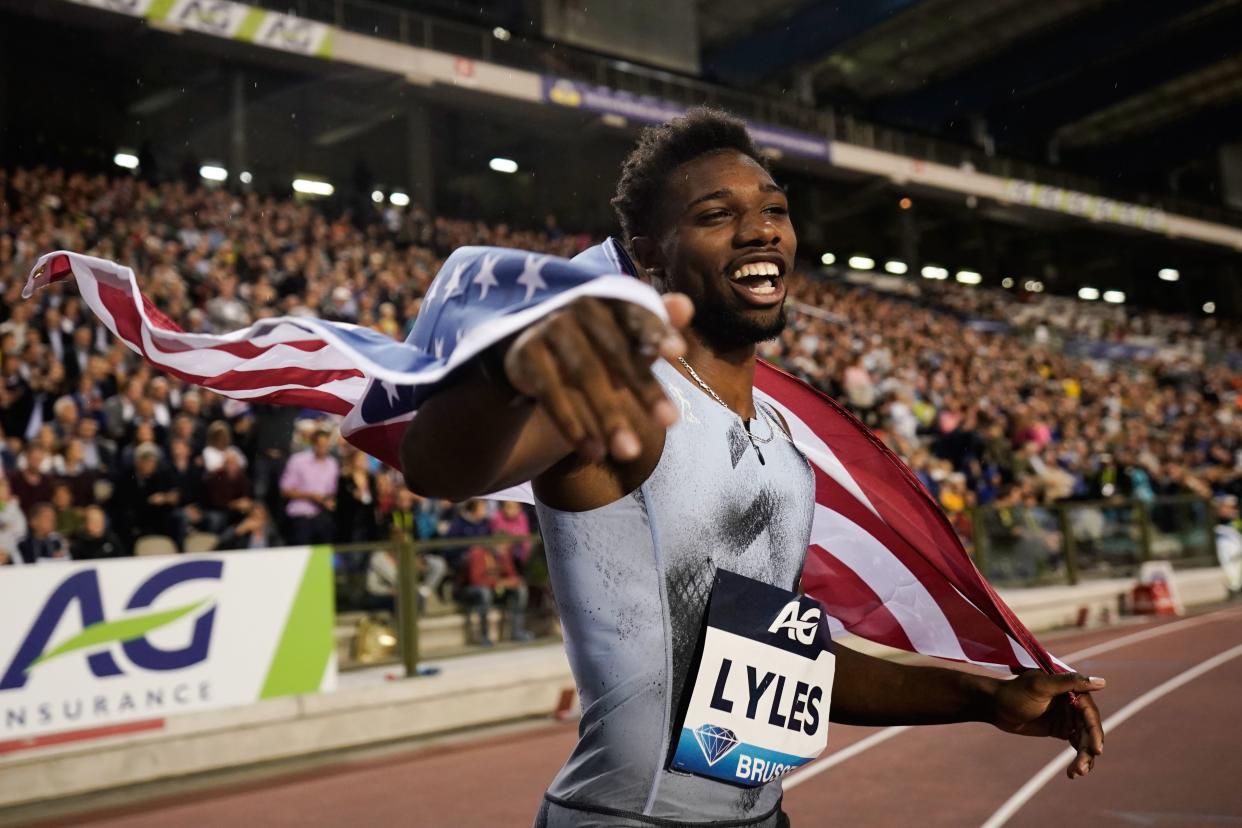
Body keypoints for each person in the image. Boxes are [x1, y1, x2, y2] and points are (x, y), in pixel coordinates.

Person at [400, 108, 1104, 828]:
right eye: (716, 214)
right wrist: (503, 376)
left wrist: (986, 698)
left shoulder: (784, 453)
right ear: (651, 254)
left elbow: (787, 665)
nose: (763, 229)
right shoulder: (634, 402)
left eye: (775, 210)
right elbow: (438, 469)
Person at [279, 429, 338, 545]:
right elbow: (285, 490)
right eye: (320, 445)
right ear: (313, 444)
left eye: (326, 445)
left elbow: (333, 491)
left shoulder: (332, 464)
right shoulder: (298, 460)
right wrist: (312, 496)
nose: (323, 449)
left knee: (323, 554)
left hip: (323, 516)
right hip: (301, 515)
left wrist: (329, 501)